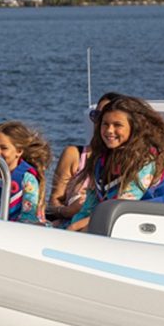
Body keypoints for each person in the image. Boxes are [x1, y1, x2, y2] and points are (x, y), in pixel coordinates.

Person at [68, 96, 164, 231]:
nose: (109, 130)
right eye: (105, 124)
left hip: (142, 225)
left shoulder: (147, 160)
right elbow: (90, 205)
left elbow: (121, 206)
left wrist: (75, 227)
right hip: (107, 220)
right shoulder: (101, 158)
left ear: (134, 127)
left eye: (117, 125)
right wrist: (71, 225)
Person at [47, 90, 121, 225]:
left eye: (112, 121)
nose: (102, 123)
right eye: (97, 115)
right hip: (68, 223)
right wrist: (67, 211)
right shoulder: (74, 154)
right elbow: (53, 202)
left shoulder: (126, 162)